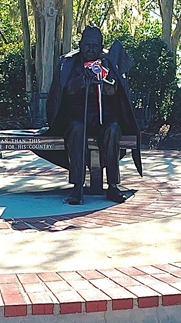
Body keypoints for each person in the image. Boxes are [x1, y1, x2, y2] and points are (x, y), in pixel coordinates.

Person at [42, 25, 141, 205]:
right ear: (80, 44)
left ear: (101, 46)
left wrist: (108, 87)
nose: (91, 50)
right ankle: (78, 186)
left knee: (113, 130)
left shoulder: (109, 62)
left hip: (104, 118)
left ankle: (112, 185)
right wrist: (81, 82)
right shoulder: (68, 63)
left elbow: (119, 92)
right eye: (87, 45)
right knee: (77, 129)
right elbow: (62, 92)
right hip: (77, 117)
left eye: (95, 46)